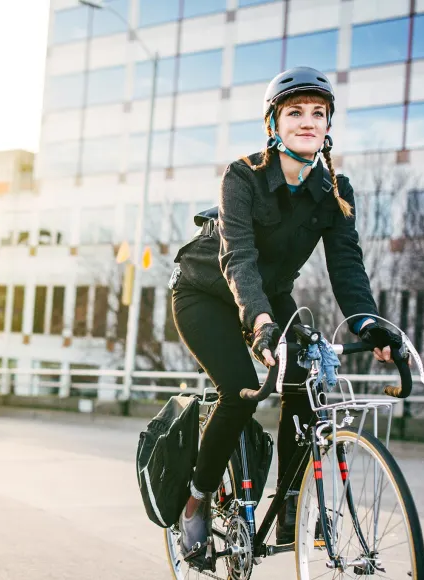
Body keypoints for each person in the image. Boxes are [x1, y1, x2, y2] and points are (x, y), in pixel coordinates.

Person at [169, 66, 404, 557]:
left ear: (327, 127)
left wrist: (368, 322)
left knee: (304, 367)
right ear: (274, 124)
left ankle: (292, 505)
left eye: (318, 113)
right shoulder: (243, 176)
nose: (307, 121)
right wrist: (259, 324)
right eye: (295, 111)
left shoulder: (335, 192)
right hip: (206, 291)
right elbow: (239, 258)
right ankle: (195, 500)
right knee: (240, 391)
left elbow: (347, 264)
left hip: (270, 296)